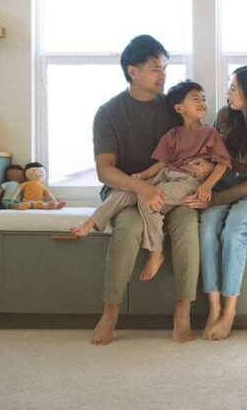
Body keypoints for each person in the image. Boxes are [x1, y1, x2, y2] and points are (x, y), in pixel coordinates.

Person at [89, 35, 206, 345]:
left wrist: (204, 171)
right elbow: (105, 170)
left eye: (164, 68)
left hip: (169, 190)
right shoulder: (109, 113)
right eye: (155, 69)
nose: (163, 75)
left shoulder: (171, 109)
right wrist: (141, 188)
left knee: (186, 225)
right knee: (127, 228)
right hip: (124, 191)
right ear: (133, 71)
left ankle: (182, 311)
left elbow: (197, 145)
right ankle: (111, 311)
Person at [72, 80, 231, 283]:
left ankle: (156, 250)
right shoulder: (172, 135)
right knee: (130, 192)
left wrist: (207, 185)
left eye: (204, 99)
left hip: (189, 182)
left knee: (148, 199)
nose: (202, 102)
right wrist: (142, 177)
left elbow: (223, 163)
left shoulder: (211, 134)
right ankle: (93, 221)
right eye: (195, 99)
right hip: (166, 176)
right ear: (179, 108)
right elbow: (161, 163)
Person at [183, 65, 247, 341]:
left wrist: (214, 198)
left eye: (234, 88)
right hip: (222, 185)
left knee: (235, 230)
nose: (228, 92)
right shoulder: (225, 116)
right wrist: (205, 175)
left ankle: (229, 312)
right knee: (207, 227)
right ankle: (214, 309)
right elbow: (213, 156)